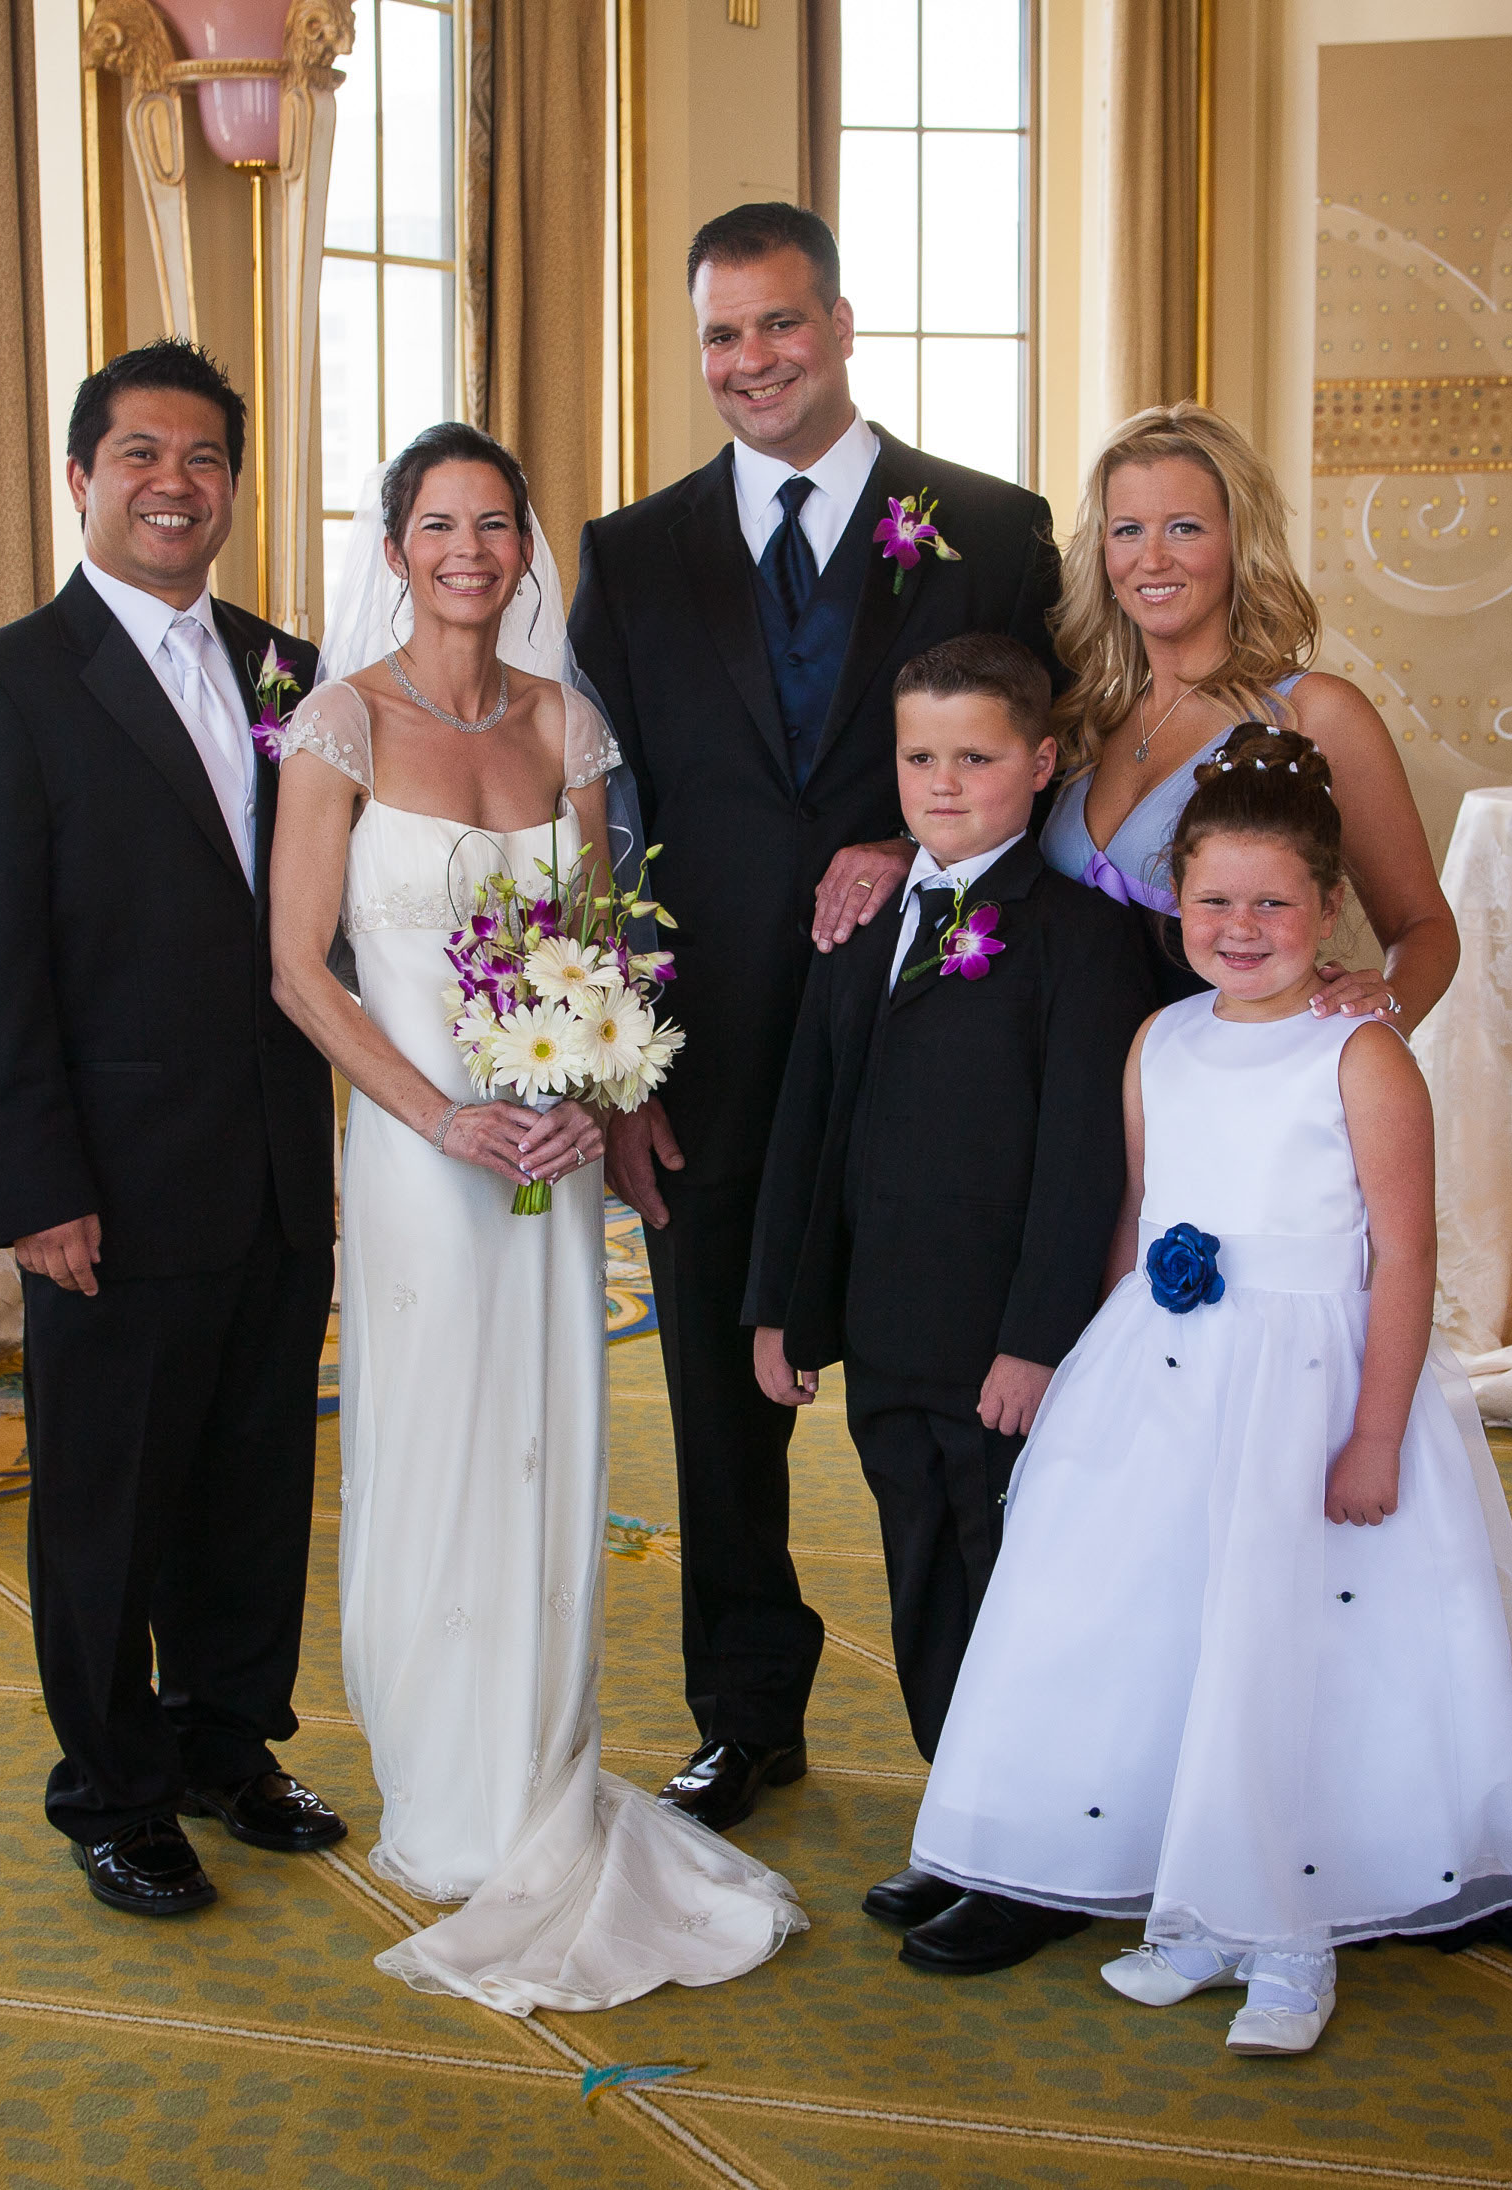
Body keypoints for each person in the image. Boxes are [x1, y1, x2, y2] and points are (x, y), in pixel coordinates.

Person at [266, 420, 806, 2015]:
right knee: (437, 1436)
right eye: (439, 525)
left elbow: (597, 940)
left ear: (523, 550)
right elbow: (302, 966)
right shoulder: (337, 727)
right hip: (419, 1151)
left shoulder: (568, 724)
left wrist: (594, 1086)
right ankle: (447, 1782)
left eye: (496, 525)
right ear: (393, 549)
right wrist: (437, 1113)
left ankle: (539, 1754)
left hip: (550, 1151)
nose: (470, 553)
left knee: (549, 1441)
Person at [902, 723, 1512, 2049]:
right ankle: (1194, 1908)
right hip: (1168, 1378)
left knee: (1288, 1645)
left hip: (1309, 1390)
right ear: (1175, 903)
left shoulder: (1359, 1053)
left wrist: (1373, 1434)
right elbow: (1135, 1215)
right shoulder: (1160, 1040)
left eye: (1273, 902)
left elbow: (1405, 1255)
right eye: (1213, 900)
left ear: (1327, 911)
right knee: (1177, 1630)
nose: (1240, 925)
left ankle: (1291, 1936)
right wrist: (1095, 1376)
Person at [572, 202, 1064, 1834]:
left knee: (942, 1403)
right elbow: (607, 823)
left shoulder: (985, 527)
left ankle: (1000, 1727)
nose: (750, 362)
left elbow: (1034, 783)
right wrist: (617, 1061)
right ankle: (744, 1711)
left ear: (842, 325)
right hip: (702, 1050)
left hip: (931, 1054)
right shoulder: (629, 555)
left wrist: (902, 837)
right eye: (720, 335)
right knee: (719, 1406)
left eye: (778, 326)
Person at [0, 340, 346, 1917]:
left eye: (206, 460)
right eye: (142, 455)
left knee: (251, 1478)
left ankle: (227, 1741)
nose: (177, 484)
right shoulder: (0, 686)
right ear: (82, 476)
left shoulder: (295, 670)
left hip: (276, 1170)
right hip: (104, 1182)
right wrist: (35, 1187)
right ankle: (110, 1783)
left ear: (235, 484)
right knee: (110, 1499)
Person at [743, 634, 1154, 1940]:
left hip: (999, 1348)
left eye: (974, 756)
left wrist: (1037, 1339)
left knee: (1007, 1584)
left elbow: (1085, 1162)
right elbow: (807, 1124)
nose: (942, 781)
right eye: (919, 756)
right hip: (887, 1328)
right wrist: (779, 1306)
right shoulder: (861, 925)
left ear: (1038, 765)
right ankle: (966, 1819)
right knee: (919, 1569)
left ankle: (1038, 1856)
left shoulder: (1084, 942)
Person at [1043, 404, 1456, 1024]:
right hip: (1077, 1099)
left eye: (1184, 528)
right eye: (1127, 530)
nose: (1151, 559)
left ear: (1241, 540)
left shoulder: (1314, 713)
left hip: (1236, 1097)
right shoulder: (1083, 717)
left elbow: (1424, 926)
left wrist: (1384, 1012)